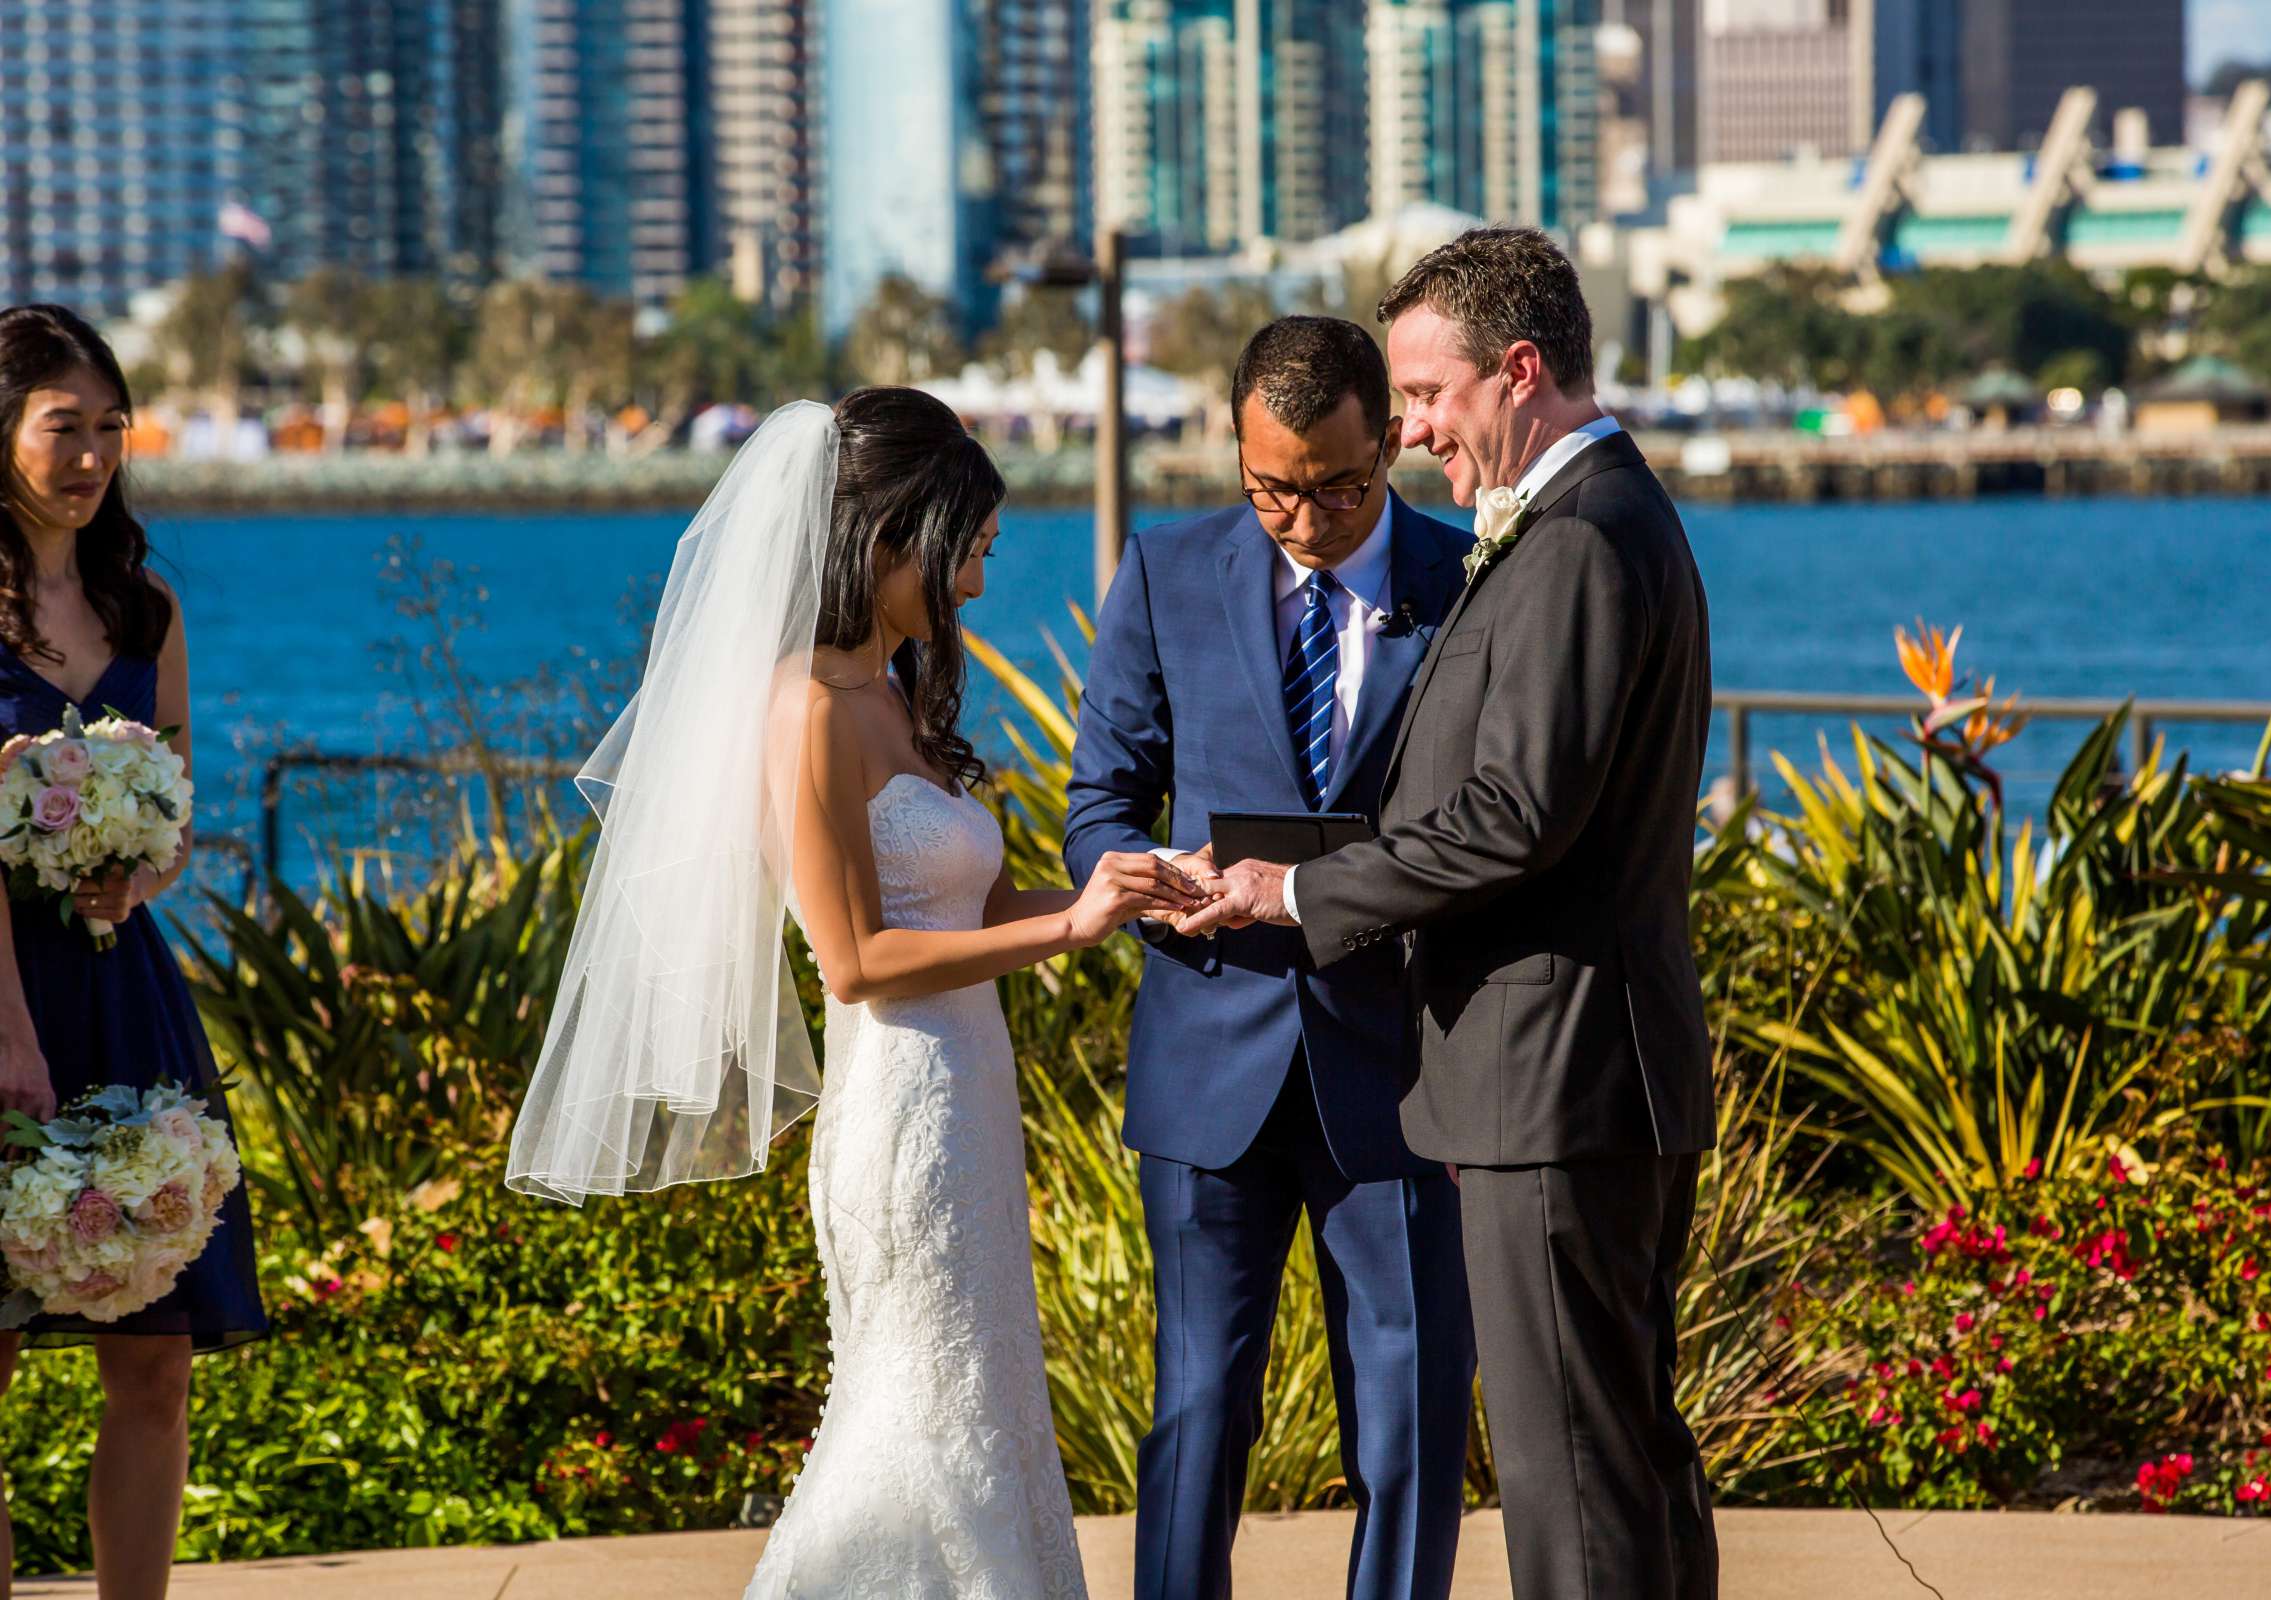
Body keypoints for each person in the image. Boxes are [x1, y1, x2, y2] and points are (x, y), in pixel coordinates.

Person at [507, 388, 1202, 1598]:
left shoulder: (891, 690)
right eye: (968, 551)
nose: (979, 581)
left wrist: (1120, 892)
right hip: (903, 1113)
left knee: (976, 1406)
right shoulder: (811, 711)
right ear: (890, 540)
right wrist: (1070, 928)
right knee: (917, 1425)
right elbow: (856, 960)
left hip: (966, 1103)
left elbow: (967, 903)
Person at [1185, 229, 1722, 1600]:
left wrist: (1299, 890)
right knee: (1626, 1453)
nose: (1415, 432)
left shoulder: (1583, 540)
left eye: (1427, 398)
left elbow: (1515, 815)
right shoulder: (1589, 524)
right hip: (1584, 1073)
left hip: (1557, 1077)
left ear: (1519, 371)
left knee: (1576, 1485)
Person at [1064, 316, 1477, 1600]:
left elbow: (1492, 822)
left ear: (1392, 439)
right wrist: (1151, 876)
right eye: (1272, 488)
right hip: (1210, 1053)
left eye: (1339, 487)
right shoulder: (1166, 571)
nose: (1303, 517)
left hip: (1405, 1069)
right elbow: (1099, 803)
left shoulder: (1474, 580)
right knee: (1197, 1415)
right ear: (1238, 451)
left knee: (1408, 1416)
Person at [0, 304, 268, 1600]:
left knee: (154, 1349)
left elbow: (175, 802)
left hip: (121, 992)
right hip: (2, 994)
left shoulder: (143, 602)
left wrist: (134, 872)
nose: (94, 455)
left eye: (111, 428)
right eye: (65, 427)